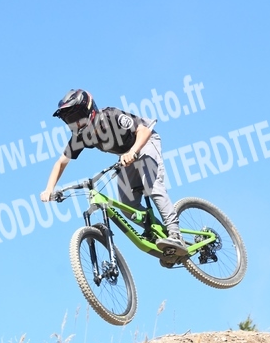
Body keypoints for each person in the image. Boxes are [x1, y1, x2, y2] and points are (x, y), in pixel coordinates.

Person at [39, 89, 185, 253]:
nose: (76, 123)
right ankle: (158, 235)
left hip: (145, 143)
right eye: (70, 121)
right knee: (127, 206)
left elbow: (144, 130)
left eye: (77, 117)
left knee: (152, 186)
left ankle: (175, 234)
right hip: (126, 156)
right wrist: (49, 189)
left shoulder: (110, 116)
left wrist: (133, 151)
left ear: (89, 110)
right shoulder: (81, 137)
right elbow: (61, 162)